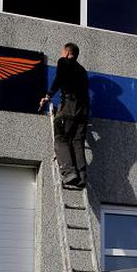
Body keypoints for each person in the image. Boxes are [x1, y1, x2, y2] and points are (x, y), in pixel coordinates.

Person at [40, 42, 90, 190]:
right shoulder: (82, 70)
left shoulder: (64, 62)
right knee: (77, 142)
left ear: (67, 53)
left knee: (60, 138)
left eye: (62, 52)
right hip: (83, 112)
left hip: (69, 107)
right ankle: (81, 177)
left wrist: (48, 96)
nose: (61, 55)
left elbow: (59, 78)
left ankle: (69, 173)